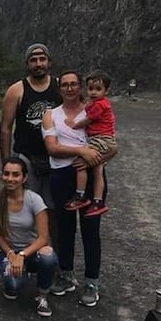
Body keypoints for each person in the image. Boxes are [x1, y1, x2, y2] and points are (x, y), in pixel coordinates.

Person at [41, 71, 108, 307]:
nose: (70, 89)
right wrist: (82, 152)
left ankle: (92, 281)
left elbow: (111, 143)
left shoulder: (94, 111)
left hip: (90, 175)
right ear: (60, 89)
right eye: (65, 85)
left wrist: (95, 157)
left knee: (91, 229)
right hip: (61, 175)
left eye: (74, 84)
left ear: (81, 87)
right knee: (65, 227)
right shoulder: (51, 115)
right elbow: (52, 147)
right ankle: (66, 274)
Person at [0, 158, 59, 317]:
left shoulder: (34, 200)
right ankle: (19, 277)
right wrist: (11, 254)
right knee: (13, 284)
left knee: (48, 257)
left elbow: (43, 238)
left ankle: (42, 294)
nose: (10, 178)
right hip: (8, 251)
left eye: (16, 175)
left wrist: (21, 255)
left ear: (24, 178)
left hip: (32, 250)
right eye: (6, 174)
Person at [0, 43, 62, 208]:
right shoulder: (16, 90)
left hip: (56, 157)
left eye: (42, 59)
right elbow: (5, 128)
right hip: (26, 157)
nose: (39, 63)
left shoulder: (60, 87)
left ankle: (51, 235)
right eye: (33, 60)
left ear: (49, 62)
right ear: (27, 64)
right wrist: (6, 162)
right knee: (25, 206)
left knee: (53, 207)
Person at [64, 69, 118, 217]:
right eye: (91, 89)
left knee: (81, 162)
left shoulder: (100, 105)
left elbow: (89, 119)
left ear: (106, 90)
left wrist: (73, 125)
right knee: (97, 169)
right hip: (107, 139)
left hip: (100, 139)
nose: (93, 92)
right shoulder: (99, 103)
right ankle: (98, 201)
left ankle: (80, 195)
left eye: (98, 89)